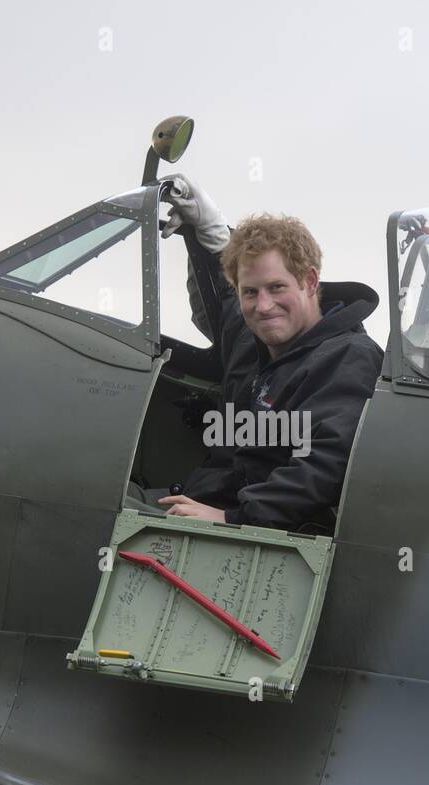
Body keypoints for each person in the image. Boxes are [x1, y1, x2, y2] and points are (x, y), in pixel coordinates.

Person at [152, 174, 383, 533]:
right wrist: (207, 234)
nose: (263, 306)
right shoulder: (253, 336)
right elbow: (225, 301)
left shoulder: (349, 358)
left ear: (309, 281)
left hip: (263, 526)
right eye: (251, 291)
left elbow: (326, 466)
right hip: (211, 496)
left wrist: (232, 520)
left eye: (277, 288)